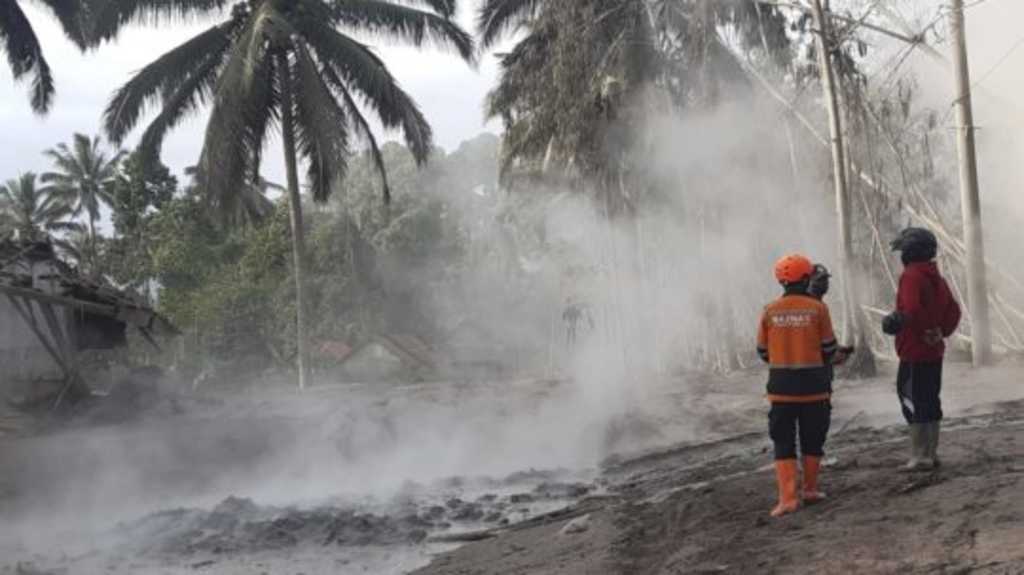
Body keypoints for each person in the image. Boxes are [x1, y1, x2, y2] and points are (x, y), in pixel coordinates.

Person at [757, 254, 839, 517]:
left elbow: (762, 351)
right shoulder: (818, 309)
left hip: (781, 389)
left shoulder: (769, 311)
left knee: (783, 441)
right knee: (813, 438)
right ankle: (811, 489)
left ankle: (788, 499)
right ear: (807, 279)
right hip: (814, 388)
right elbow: (829, 349)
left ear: (780, 280)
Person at [882, 227, 961, 471]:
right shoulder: (936, 277)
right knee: (929, 399)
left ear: (910, 252)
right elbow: (954, 310)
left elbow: (912, 310)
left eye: (903, 250)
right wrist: (940, 332)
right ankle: (931, 454)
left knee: (911, 399)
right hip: (934, 352)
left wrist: (919, 331)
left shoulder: (911, 275)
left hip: (914, 351)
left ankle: (919, 457)